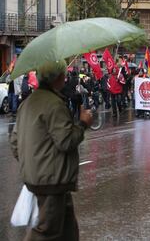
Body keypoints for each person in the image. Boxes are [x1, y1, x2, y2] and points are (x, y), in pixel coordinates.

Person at [10, 59, 93, 241]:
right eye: (63, 74)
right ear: (58, 77)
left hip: (44, 177)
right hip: (51, 180)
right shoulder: (54, 104)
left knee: (68, 231)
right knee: (45, 231)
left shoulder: (27, 103)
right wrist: (83, 123)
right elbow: (66, 140)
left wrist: (31, 161)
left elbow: (15, 142)